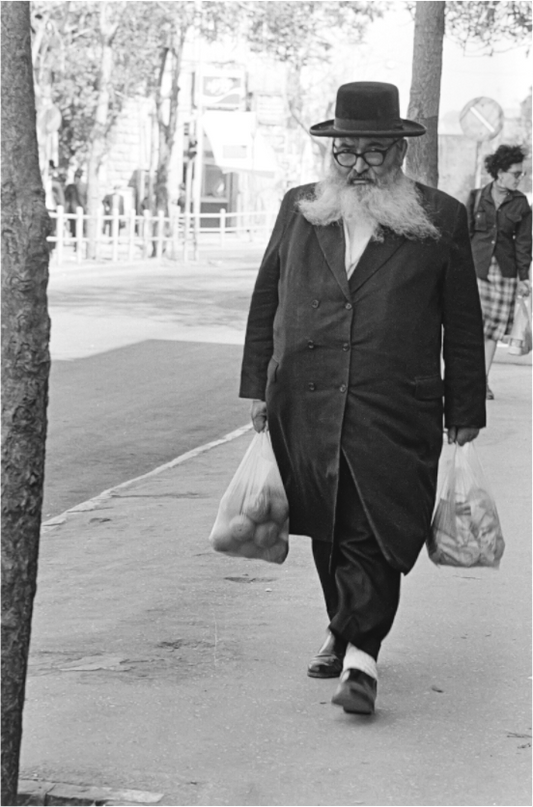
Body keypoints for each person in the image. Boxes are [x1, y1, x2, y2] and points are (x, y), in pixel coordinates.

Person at [239, 82, 486, 716]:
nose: (357, 165)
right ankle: (343, 626)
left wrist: (464, 411)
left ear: (400, 153)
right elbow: (266, 298)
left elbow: (462, 323)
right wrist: (256, 389)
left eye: (373, 152)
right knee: (328, 522)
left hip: (395, 404)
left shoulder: (442, 218)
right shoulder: (300, 208)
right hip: (307, 396)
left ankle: (362, 660)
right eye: (345, 152)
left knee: (375, 524)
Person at [466, 145, 532, 399]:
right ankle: (466, 380)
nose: (519, 178)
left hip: (505, 273)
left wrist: (524, 278)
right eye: (516, 173)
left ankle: (481, 382)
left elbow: (524, 243)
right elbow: (465, 234)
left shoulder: (521, 204)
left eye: (521, 174)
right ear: (500, 173)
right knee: (471, 327)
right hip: (476, 269)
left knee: (492, 331)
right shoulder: (476, 197)